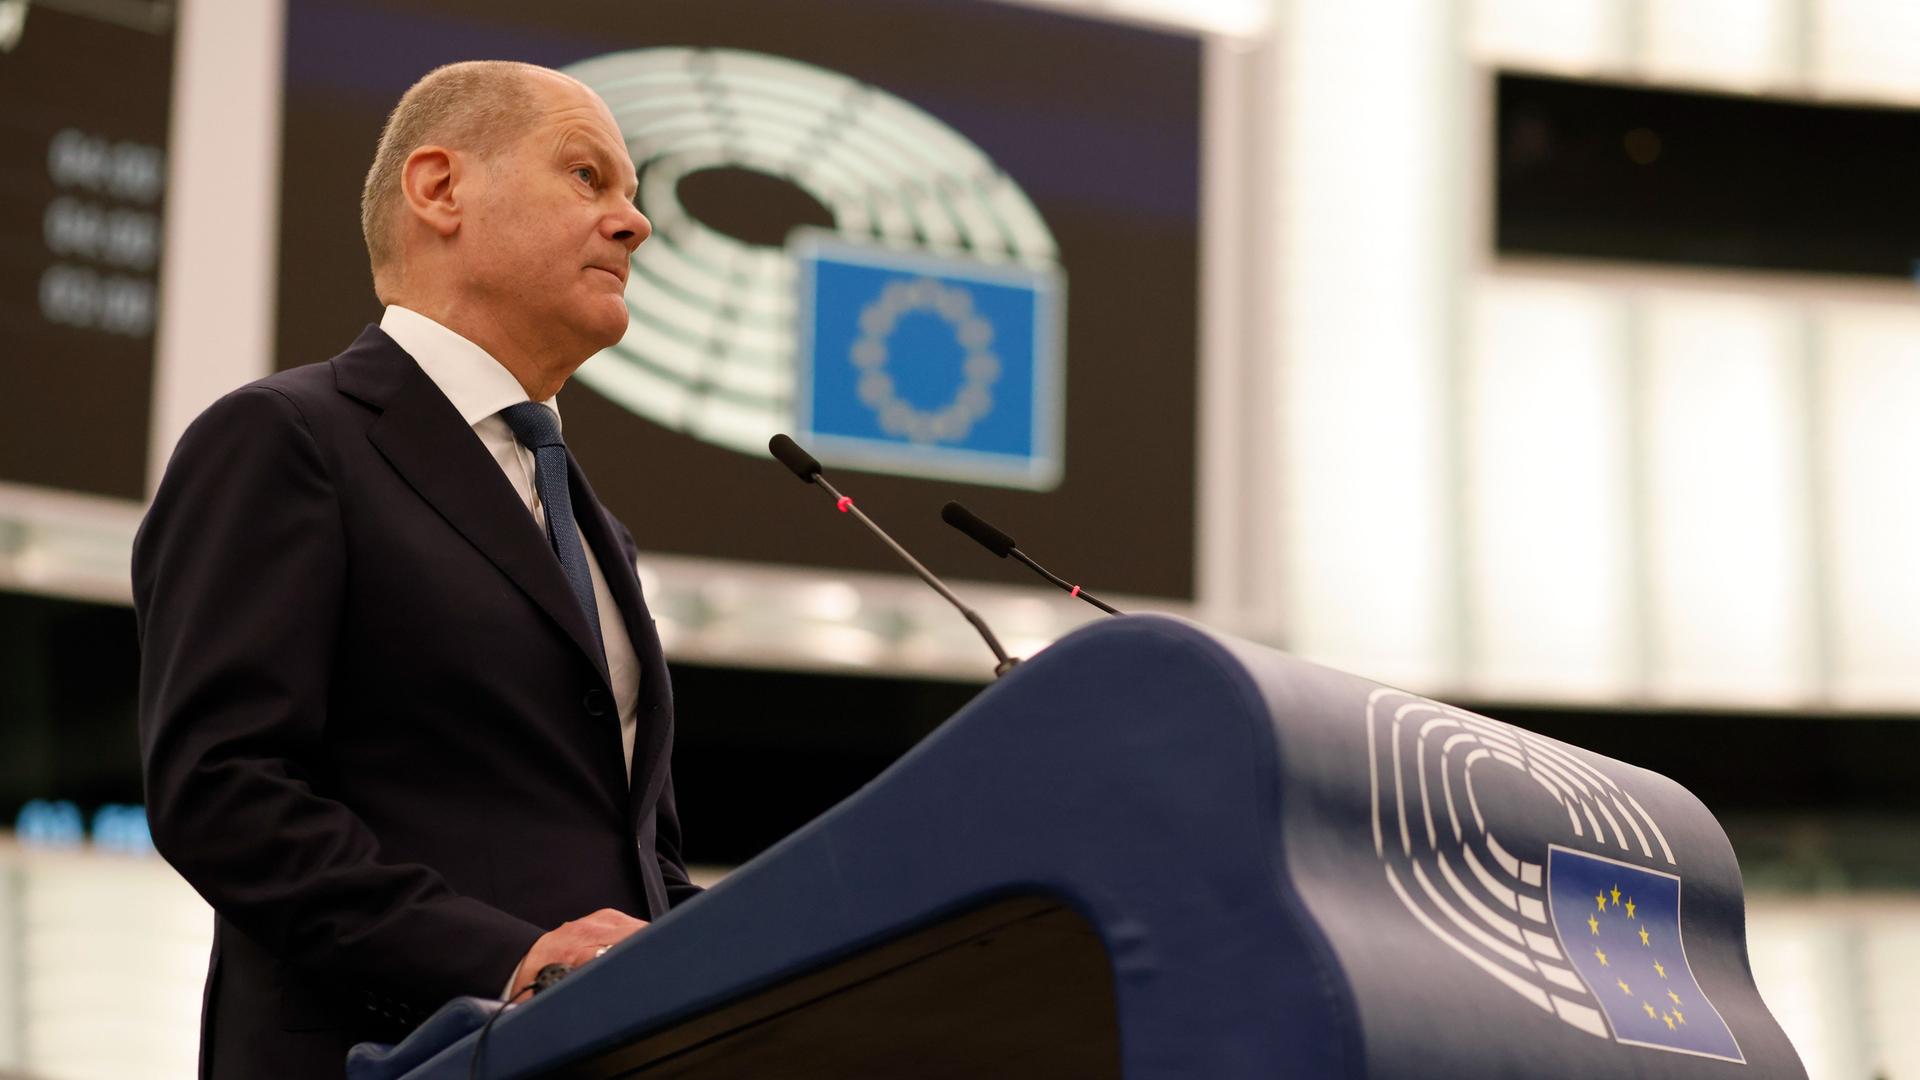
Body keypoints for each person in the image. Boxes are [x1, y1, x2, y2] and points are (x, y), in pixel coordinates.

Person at [133, 60, 699, 1079]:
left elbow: (633, 860)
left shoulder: (594, 530)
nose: (634, 223)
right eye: (588, 176)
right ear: (440, 190)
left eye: (634, 197)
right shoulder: (285, 440)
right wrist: (506, 958)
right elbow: (223, 791)